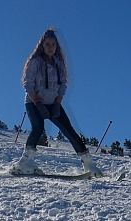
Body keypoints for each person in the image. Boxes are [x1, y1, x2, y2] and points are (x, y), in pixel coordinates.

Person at [10, 29, 102, 178]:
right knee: (38, 127)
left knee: (69, 130)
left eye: (53, 44)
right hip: (34, 101)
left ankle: (88, 163)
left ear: (57, 47)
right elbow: (28, 84)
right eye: (47, 44)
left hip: (53, 103)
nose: (50, 47)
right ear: (42, 45)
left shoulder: (59, 64)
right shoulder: (35, 62)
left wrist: (57, 103)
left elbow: (63, 85)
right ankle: (25, 162)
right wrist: (38, 103)